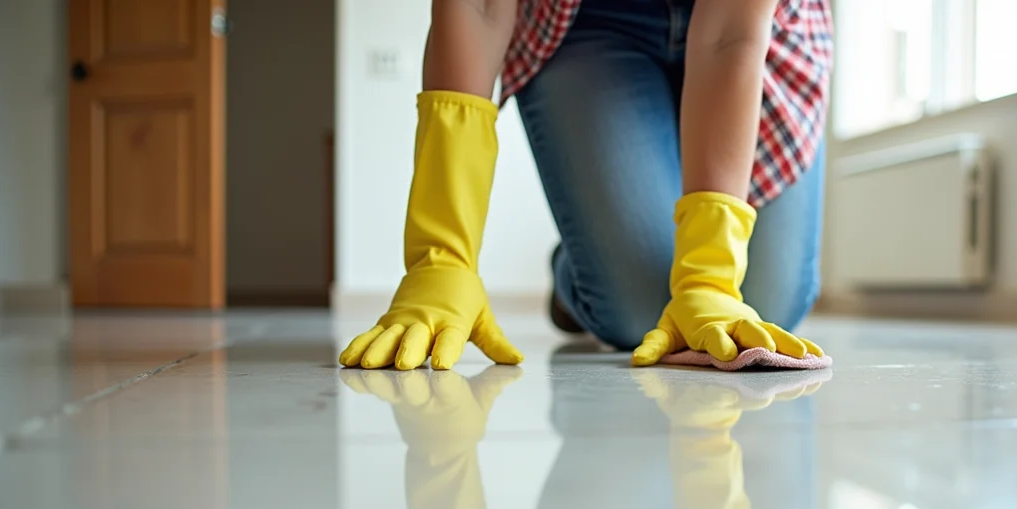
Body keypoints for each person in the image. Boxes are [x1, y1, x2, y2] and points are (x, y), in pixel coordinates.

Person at [338, 0, 832, 371]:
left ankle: (606, 243)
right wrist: (441, 258)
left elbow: (729, 36)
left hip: (760, 31)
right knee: (638, 312)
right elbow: (478, 7)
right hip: (590, 24)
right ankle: (578, 271)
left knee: (770, 304)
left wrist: (709, 279)